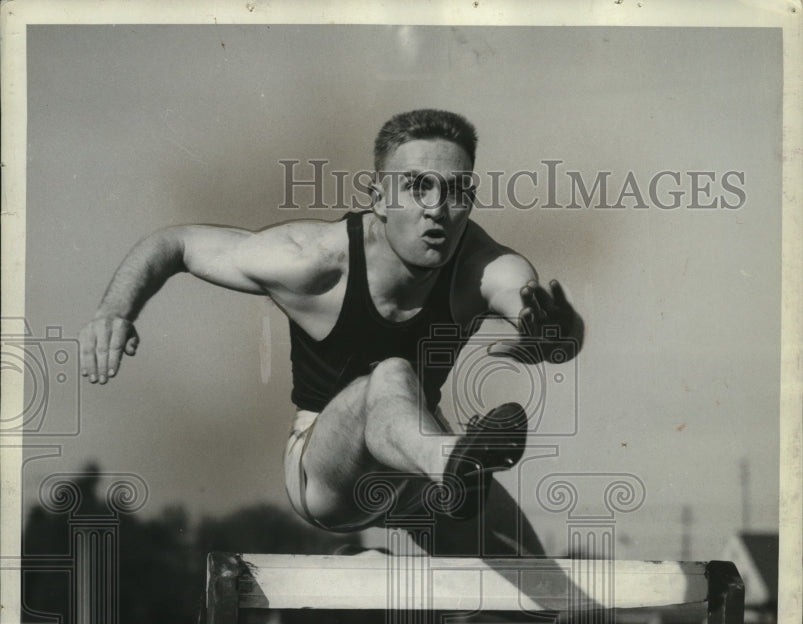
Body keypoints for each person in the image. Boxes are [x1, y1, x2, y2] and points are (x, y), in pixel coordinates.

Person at [78, 109, 583, 556]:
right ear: (379, 198)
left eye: (455, 191)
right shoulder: (315, 261)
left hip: (422, 468)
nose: (437, 208)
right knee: (389, 375)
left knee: (541, 600)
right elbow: (179, 243)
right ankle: (449, 464)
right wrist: (114, 310)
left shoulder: (482, 266)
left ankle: (385, 560)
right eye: (417, 185)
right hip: (328, 472)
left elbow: (538, 310)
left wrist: (557, 335)